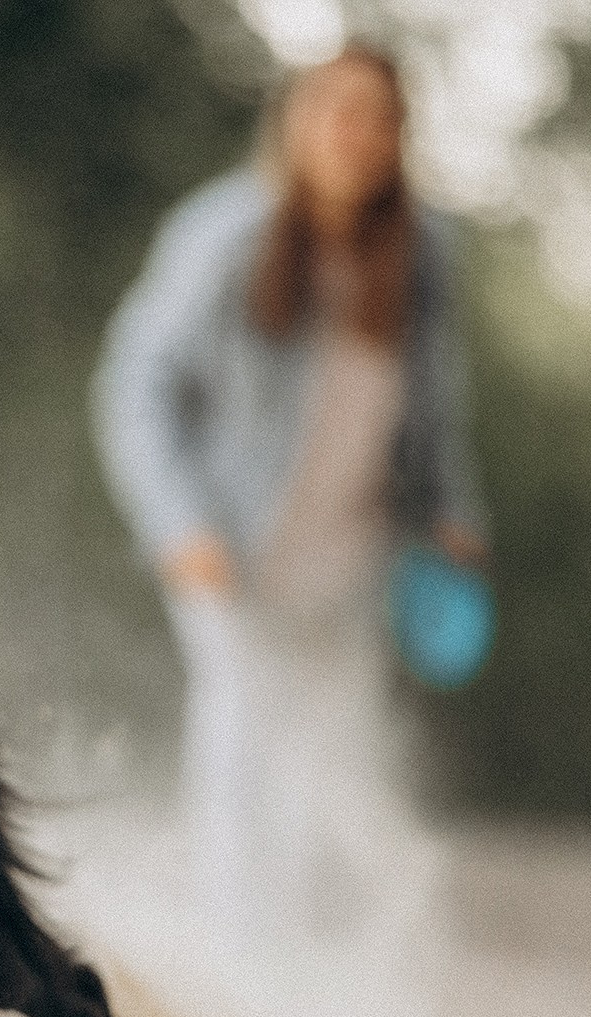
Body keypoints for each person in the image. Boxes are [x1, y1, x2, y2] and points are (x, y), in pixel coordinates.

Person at [92, 44, 489, 948]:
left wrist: (453, 512)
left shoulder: (425, 254)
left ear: (400, 140)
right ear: (297, 123)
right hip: (227, 554)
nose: (357, 134)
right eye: (337, 110)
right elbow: (135, 384)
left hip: (351, 562)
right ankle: (234, 972)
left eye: (379, 117)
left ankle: (327, 977)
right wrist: (178, 521)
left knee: (335, 770)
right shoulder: (223, 234)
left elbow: (433, 403)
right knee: (242, 749)